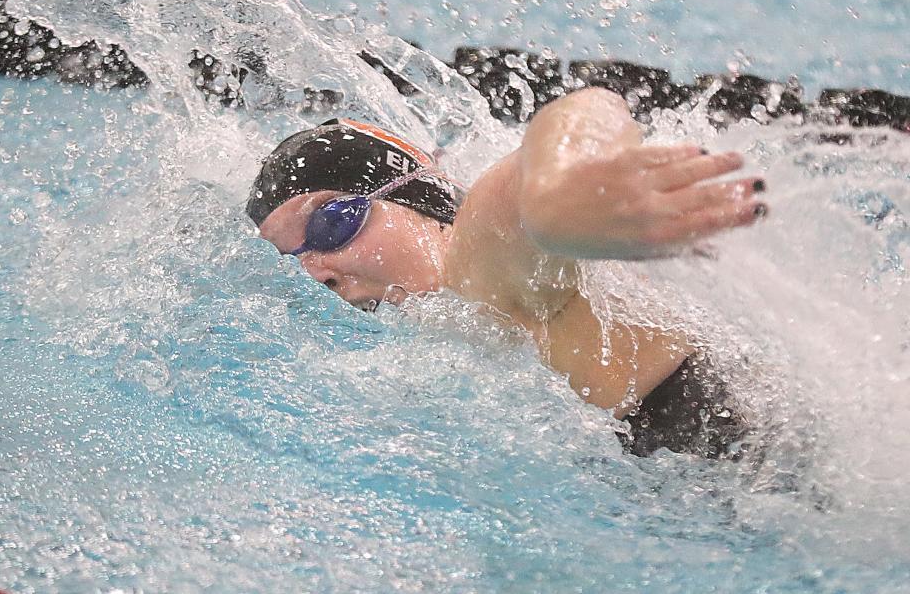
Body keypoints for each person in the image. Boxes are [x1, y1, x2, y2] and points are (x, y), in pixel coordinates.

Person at [247, 90, 767, 459]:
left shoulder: (480, 267)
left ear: (416, 192)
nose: (318, 274)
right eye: (293, 261)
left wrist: (561, 194)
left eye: (332, 222)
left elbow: (577, 115)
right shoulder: (449, 339)